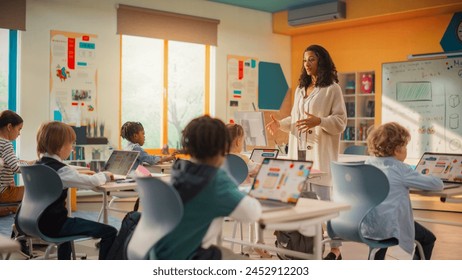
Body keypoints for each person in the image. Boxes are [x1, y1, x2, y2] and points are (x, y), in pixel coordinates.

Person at [265, 44, 347, 260]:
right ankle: (309, 246)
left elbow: (340, 121)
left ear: (321, 60)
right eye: (304, 60)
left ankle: (335, 249)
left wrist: (319, 121)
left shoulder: (332, 89)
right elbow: (295, 119)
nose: (307, 64)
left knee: (324, 204)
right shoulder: (301, 90)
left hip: (320, 155)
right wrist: (280, 124)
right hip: (299, 154)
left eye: (311, 59)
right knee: (301, 203)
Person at [154, 115, 262, 260]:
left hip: (158, 253)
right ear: (223, 146)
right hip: (187, 257)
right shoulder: (214, 181)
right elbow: (252, 214)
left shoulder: (179, 171)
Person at [34, 121, 117, 260]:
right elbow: (92, 182)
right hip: (53, 226)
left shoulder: (38, 165)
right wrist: (106, 175)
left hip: (33, 221)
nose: (72, 148)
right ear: (60, 146)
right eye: (71, 143)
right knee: (110, 231)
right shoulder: (61, 171)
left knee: (67, 225)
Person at [364, 122, 443, 260]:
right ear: (397, 150)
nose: (406, 150)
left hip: (368, 224)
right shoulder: (401, 169)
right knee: (428, 239)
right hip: (390, 226)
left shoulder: (368, 163)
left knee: (380, 239)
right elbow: (437, 185)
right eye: (405, 146)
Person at [0, 110, 30, 216]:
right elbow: (16, 167)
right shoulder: (6, 144)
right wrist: (31, 166)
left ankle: (9, 209)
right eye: (19, 129)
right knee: (34, 191)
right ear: (9, 127)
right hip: (3, 192)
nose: (19, 133)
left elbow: (7, 163)